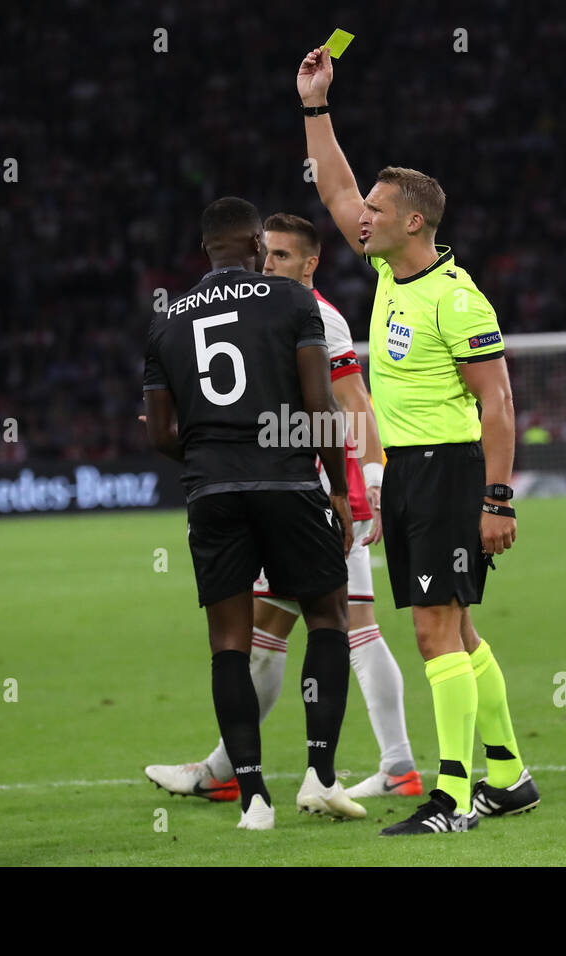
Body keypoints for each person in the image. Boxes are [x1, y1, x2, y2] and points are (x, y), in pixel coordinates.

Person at [299, 46, 538, 835]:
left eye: (375, 205)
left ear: (413, 222)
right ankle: (508, 774)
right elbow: (332, 186)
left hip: (449, 473)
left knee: (434, 629)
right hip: (407, 472)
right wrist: (316, 105)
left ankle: (455, 796)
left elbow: (498, 404)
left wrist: (498, 499)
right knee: (458, 626)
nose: (357, 212)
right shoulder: (387, 276)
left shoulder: (457, 300)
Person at [144, 213, 421, 802]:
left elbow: (352, 402)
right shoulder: (271, 308)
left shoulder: (317, 315)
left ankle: (391, 765)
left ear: (310, 263)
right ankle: (224, 769)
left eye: (282, 257)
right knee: (274, 629)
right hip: (289, 495)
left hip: (316, 497)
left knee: (355, 628)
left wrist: (366, 480)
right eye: (265, 254)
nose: (269, 265)